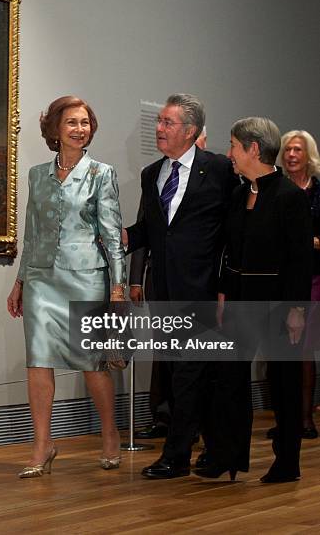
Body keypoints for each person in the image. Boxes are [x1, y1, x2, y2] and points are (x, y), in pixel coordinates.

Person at [7, 95, 126, 478]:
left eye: (85, 122)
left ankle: (110, 434)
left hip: (87, 279)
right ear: (55, 130)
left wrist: (118, 287)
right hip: (42, 279)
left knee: (92, 364)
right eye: (71, 122)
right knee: (38, 361)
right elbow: (32, 232)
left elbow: (112, 236)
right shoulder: (36, 175)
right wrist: (20, 280)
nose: (79, 129)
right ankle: (42, 444)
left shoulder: (101, 173)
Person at [123, 94, 237, 478]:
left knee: (191, 373)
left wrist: (226, 286)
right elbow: (149, 231)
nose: (159, 128)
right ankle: (211, 450)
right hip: (165, 293)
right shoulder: (151, 173)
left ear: (190, 131)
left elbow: (233, 232)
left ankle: (177, 455)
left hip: (203, 292)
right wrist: (117, 236)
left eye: (168, 122)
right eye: (159, 121)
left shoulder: (220, 169)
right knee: (178, 373)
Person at [196, 117, 312, 483]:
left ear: (254, 149)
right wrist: (221, 293)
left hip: (279, 301)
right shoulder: (237, 193)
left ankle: (287, 462)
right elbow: (229, 250)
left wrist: (297, 310)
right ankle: (227, 457)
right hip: (238, 300)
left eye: (233, 145)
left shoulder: (290, 196)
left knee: (283, 382)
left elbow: (299, 260)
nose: (229, 153)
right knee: (228, 377)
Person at [132, 125, 208, 440]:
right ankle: (164, 416)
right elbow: (143, 228)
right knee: (165, 352)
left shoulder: (214, 175)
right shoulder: (154, 175)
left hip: (196, 284)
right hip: (160, 279)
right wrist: (135, 279)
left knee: (193, 357)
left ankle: (193, 425)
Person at [279, 130, 320, 439]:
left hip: (312, 276)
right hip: (278, 277)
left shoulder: (318, 191)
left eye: (298, 150)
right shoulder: (275, 187)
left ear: (309, 155)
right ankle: (284, 420)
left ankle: (304, 419)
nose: (292, 155)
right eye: (288, 149)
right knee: (278, 349)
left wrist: (308, 242)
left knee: (303, 348)